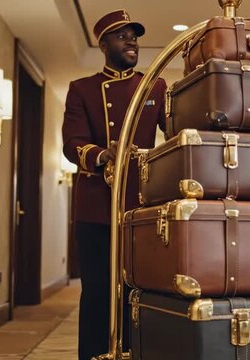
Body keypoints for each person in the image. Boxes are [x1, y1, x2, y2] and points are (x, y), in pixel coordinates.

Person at [61, 9, 166, 360]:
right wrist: (104, 156)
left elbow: (177, 132)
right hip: (96, 208)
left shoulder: (155, 85)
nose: (131, 40)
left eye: (134, 34)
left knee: (140, 289)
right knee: (97, 292)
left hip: (141, 206)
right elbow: (72, 142)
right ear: (103, 44)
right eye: (121, 35)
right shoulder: (82, 89)